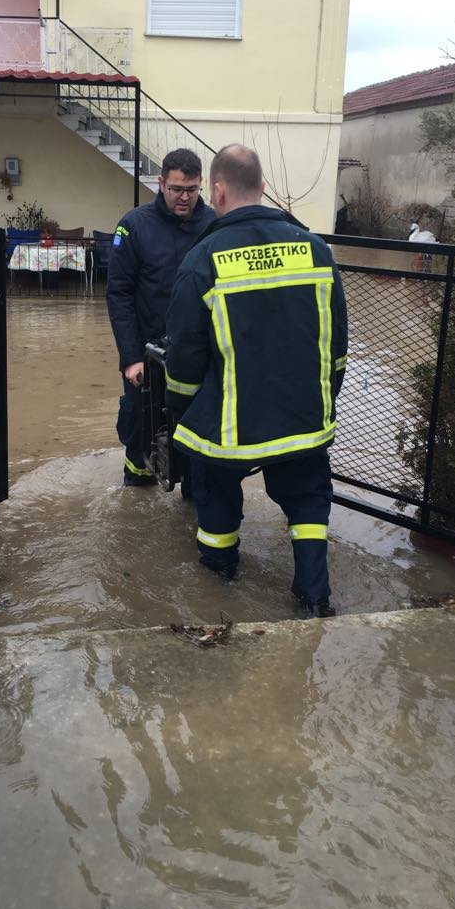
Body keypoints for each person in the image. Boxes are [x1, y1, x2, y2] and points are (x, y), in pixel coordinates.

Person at [164, 145, 348, 617]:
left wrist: (182, 417)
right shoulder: (316, 250)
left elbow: (184, 359)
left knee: (215, 490)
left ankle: (219, 586)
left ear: (217, 191)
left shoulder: (203, 259)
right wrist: (322, 401)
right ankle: (313, 600)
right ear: (263, 188)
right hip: (304, 416)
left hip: (232, 425)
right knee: (308, 502)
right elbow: (337, 346)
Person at [107, 148, 216, 487]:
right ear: (161, 183)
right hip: (146, 354)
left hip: (197, 354)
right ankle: (137, 484)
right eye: (177, 189)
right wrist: (131, 357)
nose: (185, 198)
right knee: (142, 427)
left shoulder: (214, 225)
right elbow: (119, 294)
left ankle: (193, 492)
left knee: (198, 434)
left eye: (192, 190)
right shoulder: (134, 225)